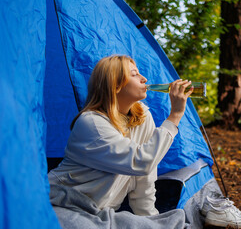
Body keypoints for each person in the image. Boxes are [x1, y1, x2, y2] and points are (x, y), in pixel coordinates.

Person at [48, 55, 193, 226]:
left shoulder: (143, 117)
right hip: (62, 204)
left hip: (101, 214)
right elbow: (141, 161)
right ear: (115, 85)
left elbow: (144, 177)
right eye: (134, 74)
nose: (144, 78)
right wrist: (175, 116)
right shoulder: (91, 123)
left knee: (149, 223)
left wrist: (151, 221)